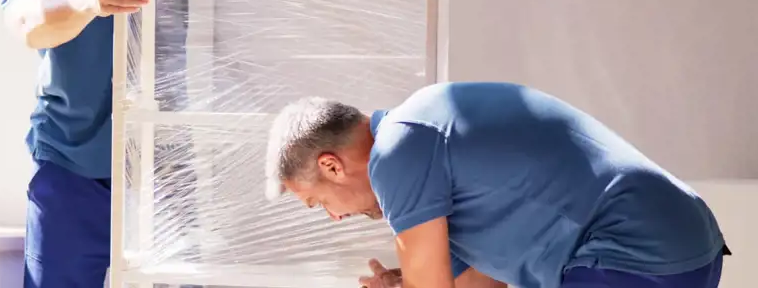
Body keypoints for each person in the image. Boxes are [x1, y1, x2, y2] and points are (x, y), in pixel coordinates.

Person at [0, 0, 302, 288]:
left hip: (164, 158)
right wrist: (89, 2)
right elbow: (30, 24)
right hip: (73, 165)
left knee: (181, 280)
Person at [263, 82, 729, 288]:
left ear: (332, 166)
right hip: (683, 247)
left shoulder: (397, 152)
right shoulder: (428, 144)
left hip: (632, 253)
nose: (335, 217)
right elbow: (478, 286)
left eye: (319, 203)